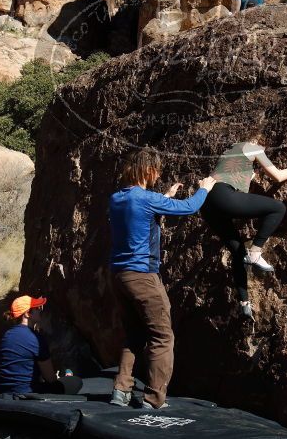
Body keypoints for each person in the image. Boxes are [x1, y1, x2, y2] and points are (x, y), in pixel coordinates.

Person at [108, 148, 216, 410]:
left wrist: (164, 198)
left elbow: (140, 217)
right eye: (156, 170)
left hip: (119, 276)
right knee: (162, 336)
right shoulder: (145, 198)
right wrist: (205, 188)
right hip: (142, 276)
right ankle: (154, 399)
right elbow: (189, 207)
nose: (158, 175)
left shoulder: (117, 198)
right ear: (148, 170)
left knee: (134, 334)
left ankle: (121, 392)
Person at [201, 140, 287, 319]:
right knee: (278, 208)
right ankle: (256, 252)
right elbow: (278, 176)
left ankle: (244, 303)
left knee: (238, 251)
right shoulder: (253, 147)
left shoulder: (229, 153)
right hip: (223, 195)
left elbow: (237, 175)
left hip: (207, 203)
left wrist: (251, 174)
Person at [0, 295, 82, 395]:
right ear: (27, 314)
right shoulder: (35, 338)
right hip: (27, 393)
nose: (40, 310)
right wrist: (57, 378)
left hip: (5, 392)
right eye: (37, 308)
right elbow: (50, 379)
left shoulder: (6, 335)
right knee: (75, 382)